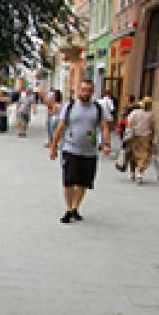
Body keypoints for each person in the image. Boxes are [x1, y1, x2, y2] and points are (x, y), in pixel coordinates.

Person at [48, 80, 112, 223]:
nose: (85, 93)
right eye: (83, 90)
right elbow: (61, 126)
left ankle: (76, 207)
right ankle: (69, 209)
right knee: (68, 182)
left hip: (90, 151)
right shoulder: (70, 107)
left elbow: (104, 127)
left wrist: (106, 144)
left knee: (83, 183)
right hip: (70, 149)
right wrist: (53, 146)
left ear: (92, 91)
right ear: (79, 90)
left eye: (89, 90)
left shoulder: (98, 108)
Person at [126, 97, 156, 184]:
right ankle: (140, 173)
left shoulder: (135, 112)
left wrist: (129, 132)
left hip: (134, 135)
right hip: (145, 136)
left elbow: (129, 123)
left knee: (133, 154)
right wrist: (152, 138)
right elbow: (152, 127)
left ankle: (132, 173)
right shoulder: (151, 114)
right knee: (143, 155)